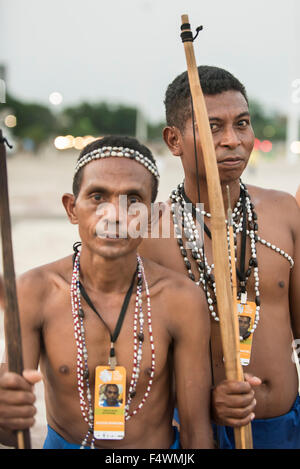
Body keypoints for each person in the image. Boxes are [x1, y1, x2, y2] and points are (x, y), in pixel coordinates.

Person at [0, 135, 213, 449]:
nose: (114, 214)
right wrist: (5, 413)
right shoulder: (35, 291)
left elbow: (197, 431)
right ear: (72, 208)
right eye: (98, 196)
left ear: (152, 217)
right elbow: (10, 433)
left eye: (132, 200)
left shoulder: (180, 299)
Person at [139, 66, 300, 449]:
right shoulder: (148, 230)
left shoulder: (284, 211)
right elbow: (139, 358)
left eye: (242, 124)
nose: (232, 140)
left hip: (284, 428)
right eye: (213, 127)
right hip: (195, 433)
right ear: (174, 140)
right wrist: (199, 401)